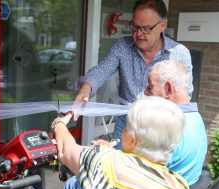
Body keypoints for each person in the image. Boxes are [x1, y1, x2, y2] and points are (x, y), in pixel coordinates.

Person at [50, 96, 195, 189]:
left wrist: (59, 124)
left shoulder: (107, 163)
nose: (122, 131)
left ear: (132, 140)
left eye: (126, 127)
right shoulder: (181, 188)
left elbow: (66, 149)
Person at [74, 0, 192, 148]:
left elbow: (185, 100)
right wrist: (85, 89)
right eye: (135, 27)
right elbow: (102, 70)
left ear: (163, 25)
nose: (139, 33)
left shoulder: (179, 54)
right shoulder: (123, 47)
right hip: (127, 123)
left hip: (161, 128)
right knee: (119, 165)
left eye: (146, 28)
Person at [144, 60, 209, 189]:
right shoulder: (196, 119)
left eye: (150, 85)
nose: (145, 92)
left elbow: (137, 175)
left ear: (168, 89)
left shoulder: (167, 128)